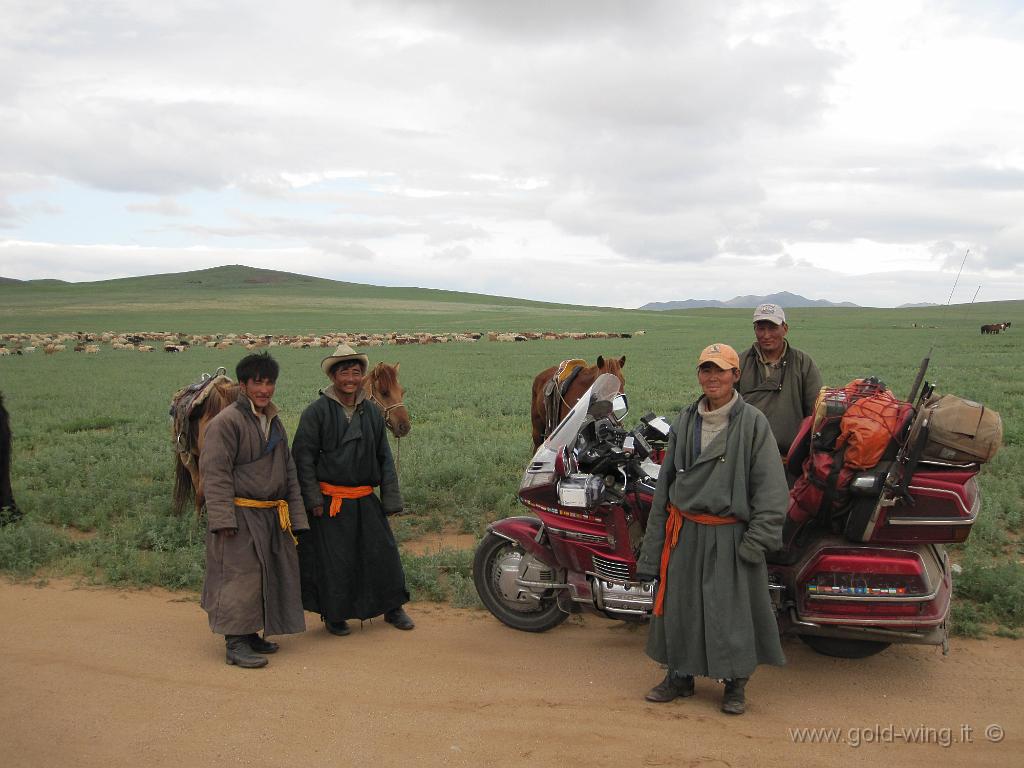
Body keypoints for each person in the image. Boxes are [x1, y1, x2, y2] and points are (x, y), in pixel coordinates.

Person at [635, 343, 788, 714]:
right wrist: (653, 550)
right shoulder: (685, 421)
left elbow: (771, 490)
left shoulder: (752, 423)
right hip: (685, 531)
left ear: (736, 375)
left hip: (730, 534)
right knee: (681, 607)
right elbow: (666, 490)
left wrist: (755, 544)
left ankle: (735, 684)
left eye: (720, 370)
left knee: (731, 612)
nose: (712, 376)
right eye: (706, 369)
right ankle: (680, 675)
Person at [292, 343, 413, 636]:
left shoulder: (371, 412)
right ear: (334, 376)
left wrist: (390, 498)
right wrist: (312, 499)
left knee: (383, 554)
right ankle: (335, 615)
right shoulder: (316, 412)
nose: (350, 378)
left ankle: (393, 607)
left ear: (362, 377)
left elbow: (383, 456)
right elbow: (302, 458)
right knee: (335, 561)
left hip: (363, 498)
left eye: (356, 372)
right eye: (344, 372)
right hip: (330, 501)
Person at [199, 352, 309, 669]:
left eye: (269, 382)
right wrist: (221, 520)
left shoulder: (273, 421)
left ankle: (251, 634)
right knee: (238, 576)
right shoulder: (225, 423)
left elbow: (288, 471)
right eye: (257, 382)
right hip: (239, 513)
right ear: (244, 385)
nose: (264, 389)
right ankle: (235, 641)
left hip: (271, 513)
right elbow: (215, 474)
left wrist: (297, 518)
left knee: (265, 574)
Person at [737, 303, 822, 458]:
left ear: (785, 328)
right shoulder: (740, 363)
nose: (766, 335)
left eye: (772, 328)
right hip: (748, 455)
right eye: (761, 328)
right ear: (754, 330)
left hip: (790, 458)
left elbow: (815, 413)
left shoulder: (802, 363)